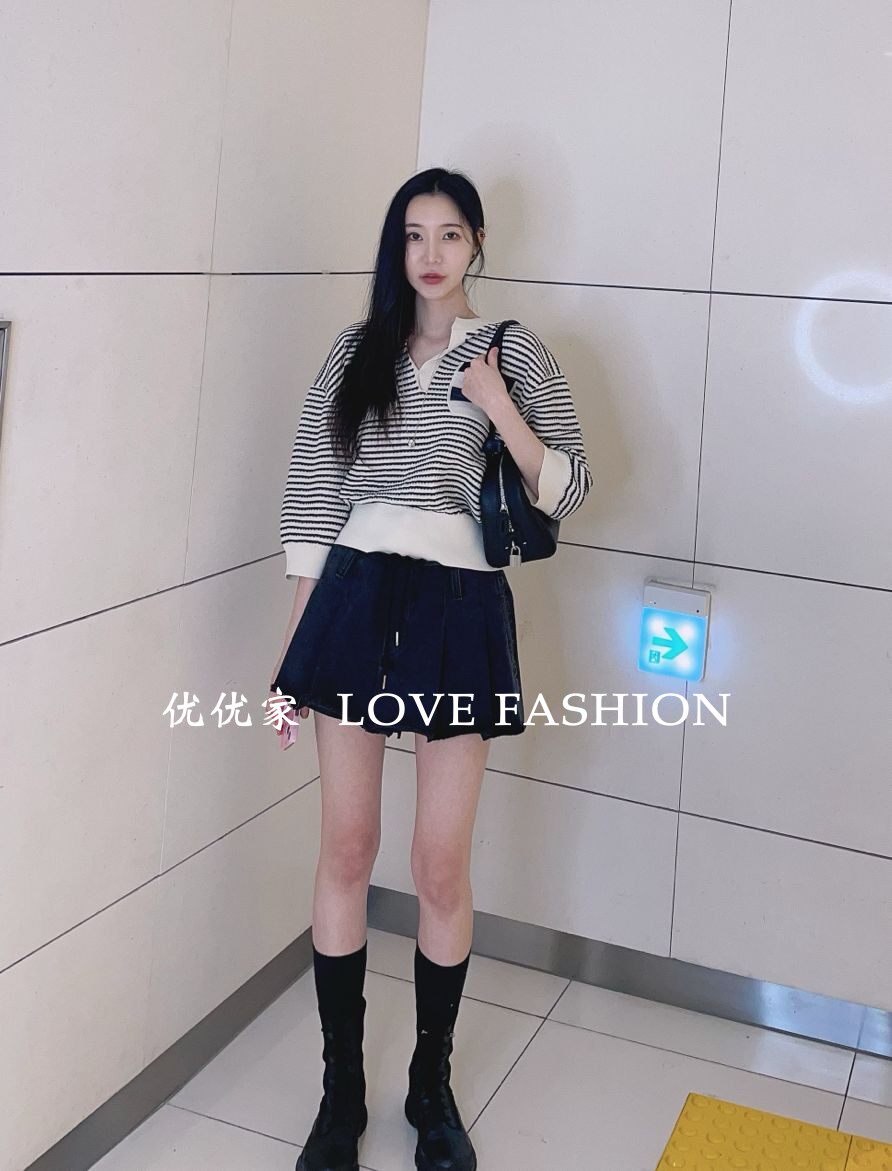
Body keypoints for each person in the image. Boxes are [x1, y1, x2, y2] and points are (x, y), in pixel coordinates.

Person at [269, 167, 592, 1171]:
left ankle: (430, 1084)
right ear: (396, 247)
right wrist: (292, 659)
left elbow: (568, 486)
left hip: (459, 605)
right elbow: (314, 493)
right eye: (414, 234)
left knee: (440, 863)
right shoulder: (355, 350)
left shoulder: (512, 350)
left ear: (477, 243)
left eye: (450, 234)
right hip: (354, 595)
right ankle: (340, 1093)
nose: (431, 253)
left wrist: (496, 402)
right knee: (346, 847)